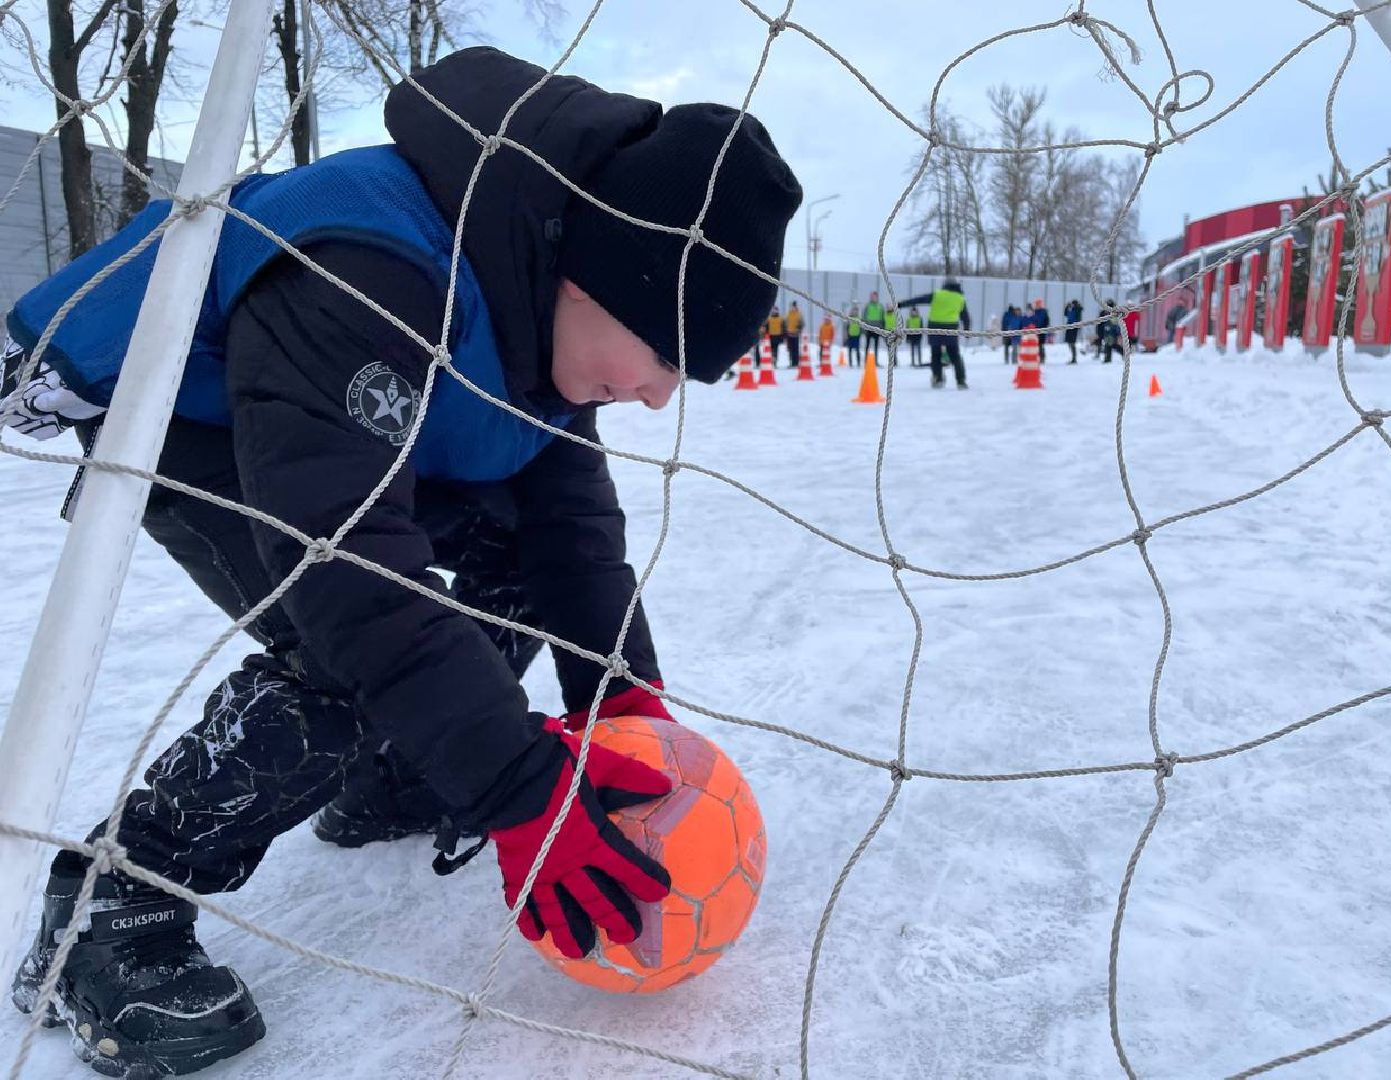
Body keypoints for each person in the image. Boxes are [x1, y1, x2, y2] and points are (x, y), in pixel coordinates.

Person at [0, 46, 801, 1077]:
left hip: (356, 436)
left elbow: (569, 531)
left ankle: (389, 779)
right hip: (202, 433)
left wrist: (620, 699)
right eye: (666, 357)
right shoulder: (366, 266)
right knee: (348, 651)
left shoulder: (533, 300)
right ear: (591, 277)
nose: (659, 398)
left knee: (514, 569)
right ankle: (114, 901)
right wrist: (515, 787)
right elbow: (352, 573)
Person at [898, 279, 970, 389]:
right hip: (951, 328)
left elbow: (919, 299)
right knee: (955, 355)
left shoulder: (937, 294)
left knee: (936, 354)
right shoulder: (960, 298)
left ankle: (938, 378)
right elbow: (965, 317)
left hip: (934, 327)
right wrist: (967, 331)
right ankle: (961, 381)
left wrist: (901, 304)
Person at [861, 290, 884, 361]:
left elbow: (882, 317)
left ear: (877, 297)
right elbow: (864, 316)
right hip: (869, 328)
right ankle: (866, 360)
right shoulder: (867, 306)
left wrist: (882, 328)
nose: (873, 298)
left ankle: (875, 361)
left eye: (875, 296)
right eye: (872, 296)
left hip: (877, 328)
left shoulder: (880, 306)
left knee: (876, 346)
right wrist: (864, 327)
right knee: (867, 345)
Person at [1101, 298, 1123, 362]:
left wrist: (1117, 332)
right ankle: (1108, 358)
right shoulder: (1106, 312)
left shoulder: (1114, 311)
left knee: (1112, 344)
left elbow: (1115, 322)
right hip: (1107, 330)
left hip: (1112, 330)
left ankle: (1122, 353)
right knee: (1108, 344)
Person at [1063, 299, 1083, 363]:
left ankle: (1074, 358)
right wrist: (1067, 307)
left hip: (1074, 327)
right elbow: (1066, 314)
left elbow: (1077, 318)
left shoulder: (1077, 309)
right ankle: (1073, 357)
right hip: (1069, 326)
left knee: (1072, 343)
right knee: (1069, 342)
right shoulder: (1072, 309)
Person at [784, 299, 803, 367]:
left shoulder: (799, 314)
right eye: (791, 306)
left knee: (795, 349)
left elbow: (802, 324)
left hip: (795, 334)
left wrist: (799, 329)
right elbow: (786, 323)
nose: (792, 308)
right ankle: (791, 362)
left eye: (793, 306)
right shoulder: (788, 314)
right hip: (789, 334)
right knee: (790, 349)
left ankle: (796, 362)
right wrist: (785, 331)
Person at [1031, 297, 1050, 363]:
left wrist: (1045, 328)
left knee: (1041, 345)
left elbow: (1047, 320)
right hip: (1035, 331)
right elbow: (1033, 320)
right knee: (1036, 345)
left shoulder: (1044, 311)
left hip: (1042, 330)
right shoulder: (1034, 312)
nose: (1037, 305)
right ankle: (1037, 358)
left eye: (1038, 304)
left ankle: (1042, 358)